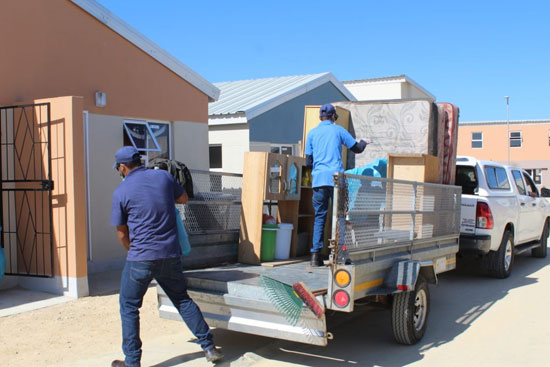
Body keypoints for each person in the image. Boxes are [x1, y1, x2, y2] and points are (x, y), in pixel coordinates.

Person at [109, 146, 223, 367]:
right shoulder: (162, 176)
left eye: (119, 169)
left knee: (129, 306)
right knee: (181, 299)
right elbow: (183, 199)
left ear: (122, 167)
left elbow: (122, 233)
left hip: (140, 257)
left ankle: (132, 362)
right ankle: (209, 348)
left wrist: (134, 251)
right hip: (169, 254)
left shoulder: (120, 192)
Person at [305, 104, 368, 266]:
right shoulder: (338, 130)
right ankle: (339, 253)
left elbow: (308, 161)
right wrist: (364, 141)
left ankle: (315, 256)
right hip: (336, 179)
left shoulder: (311, 134)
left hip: (318, 180)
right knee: (340, 216)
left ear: (321, 117)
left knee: (320, 216)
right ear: (334, 116)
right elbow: (357, 149)